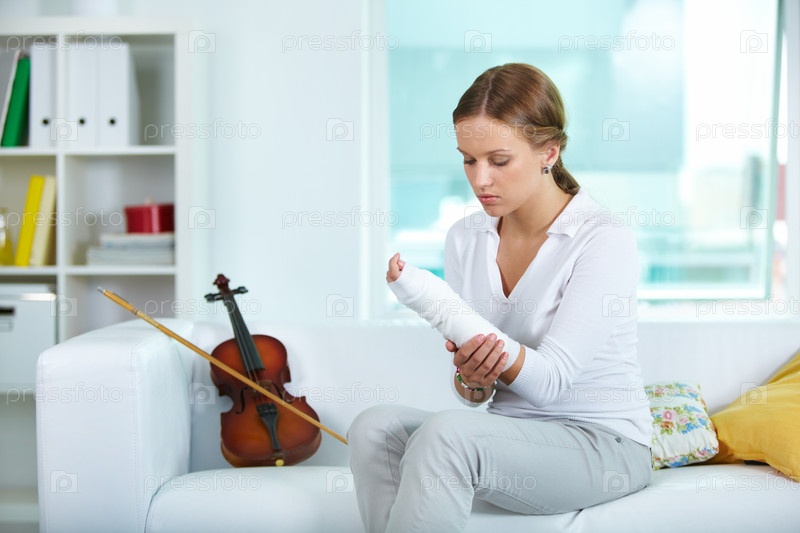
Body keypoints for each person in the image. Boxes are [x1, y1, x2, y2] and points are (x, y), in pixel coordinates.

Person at [347, 63, 653, 532]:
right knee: (374, 427)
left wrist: (448, 314)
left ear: (549, 152)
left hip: (603, 444)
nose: (480, 180)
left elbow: (550, 382)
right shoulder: (465, 238)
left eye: (499, 160)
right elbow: (476, 396)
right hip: (512, 435)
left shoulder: (603, 239)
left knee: (448, 436)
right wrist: (472, 379)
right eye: (468, 160)